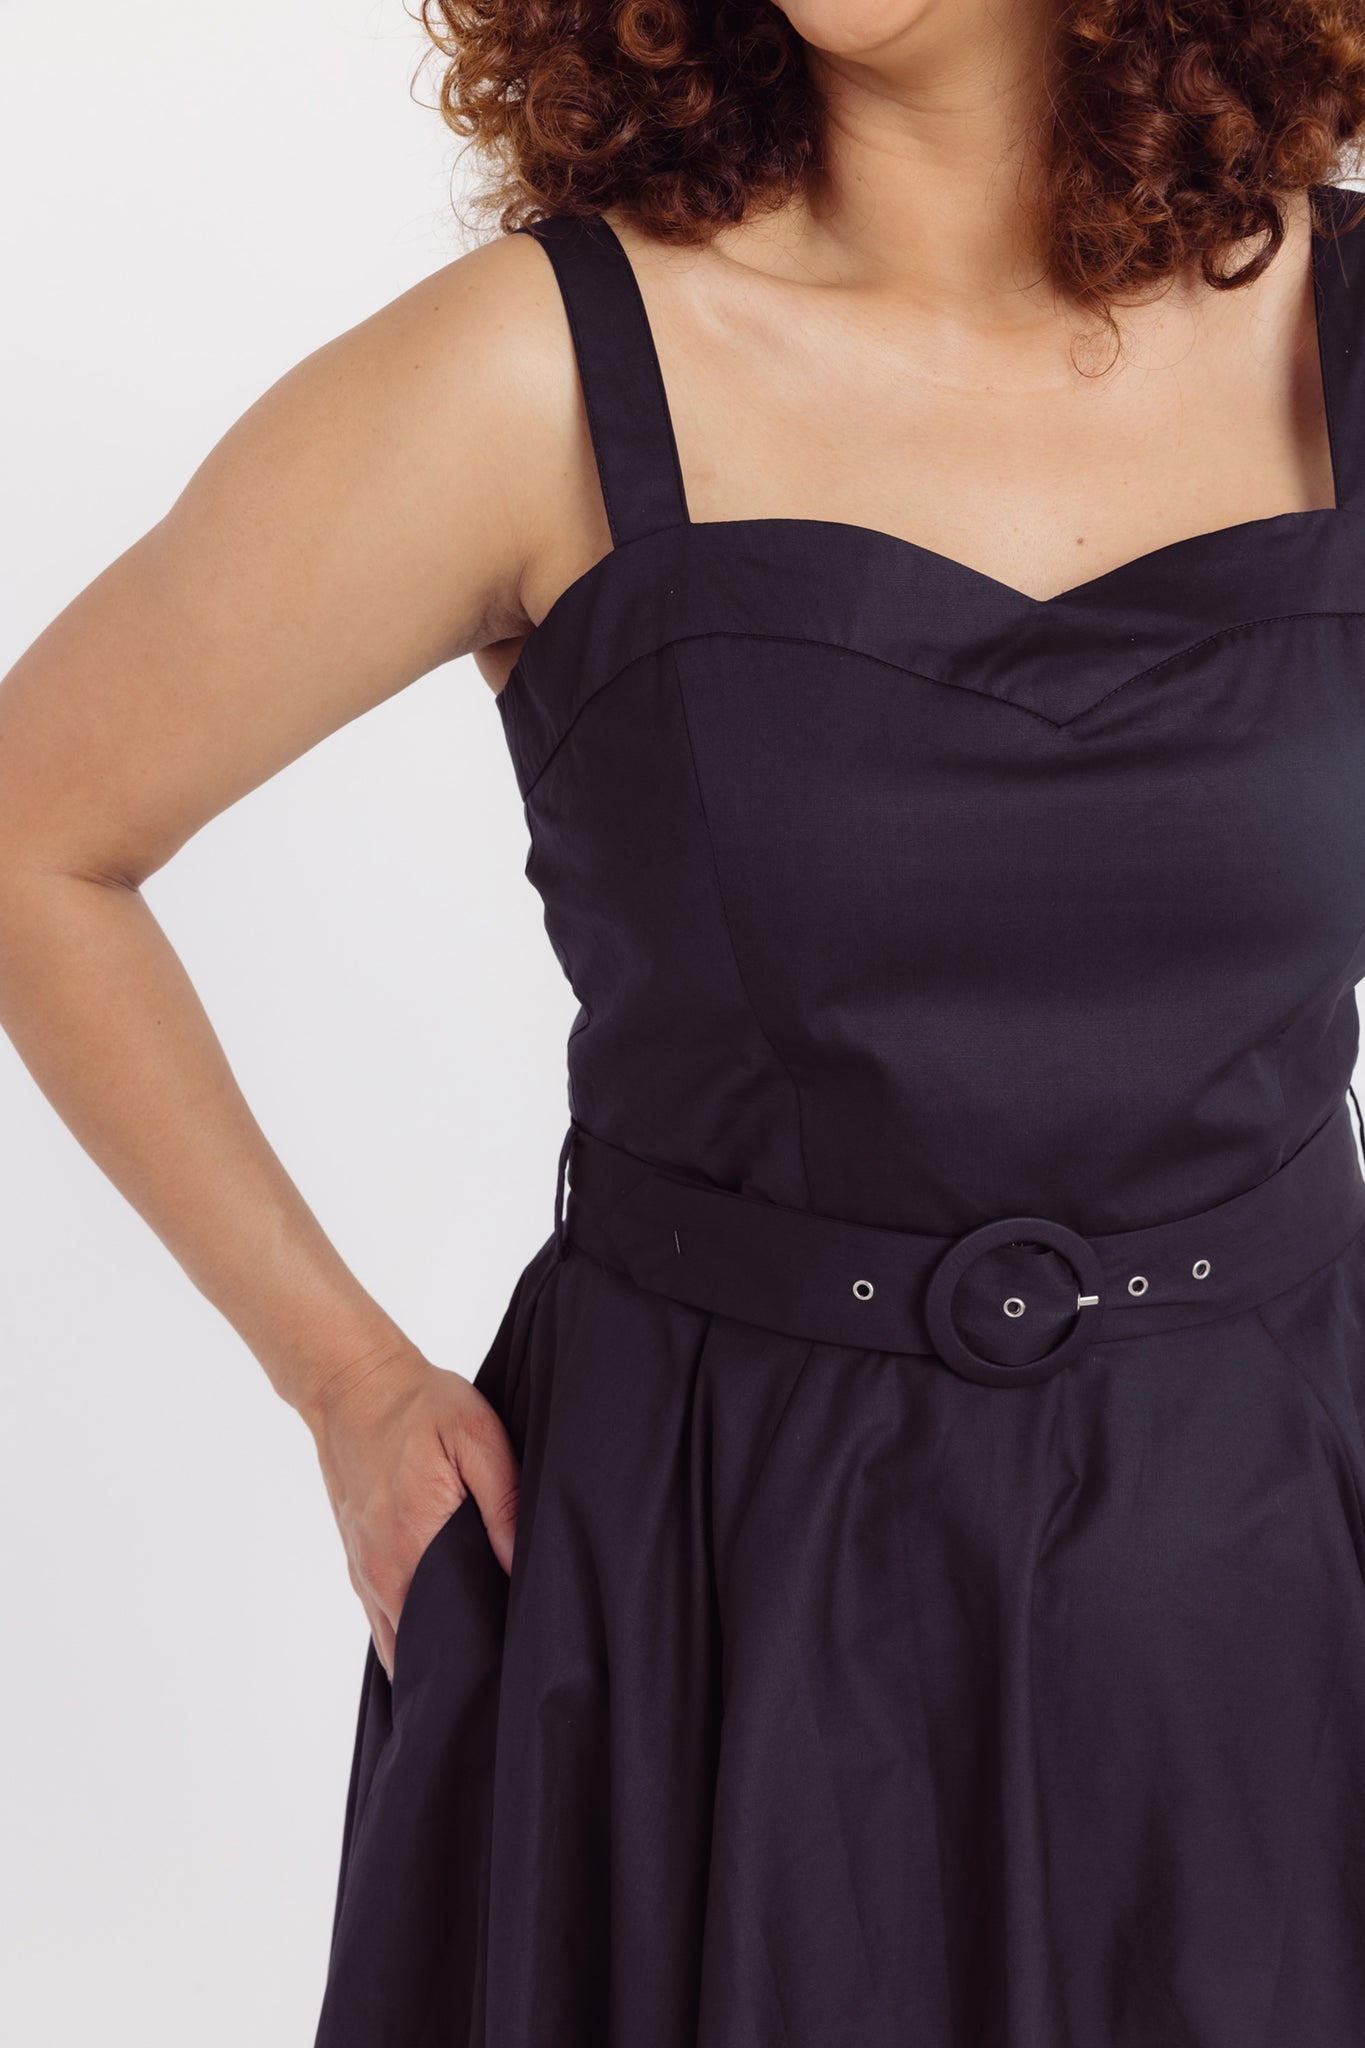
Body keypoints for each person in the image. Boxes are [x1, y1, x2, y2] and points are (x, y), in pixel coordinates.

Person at [4, 0, 1365, 2041]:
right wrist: (348, 1385)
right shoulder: (533, 372)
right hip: (704, 1604)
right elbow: (39, 832)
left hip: (1265, 1591)